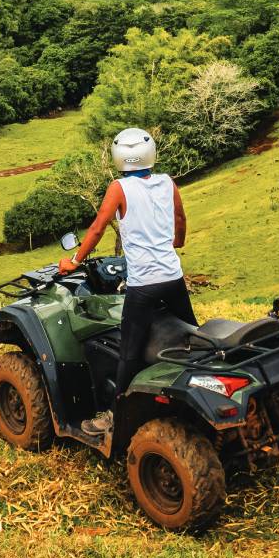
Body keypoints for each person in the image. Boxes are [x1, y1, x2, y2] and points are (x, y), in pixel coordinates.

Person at [60, 127, 195, 436]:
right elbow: (180, 220)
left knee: (129, 353)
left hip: (144, 285)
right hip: (173, 277)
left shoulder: (118, 188)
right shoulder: (167, 183)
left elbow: (96, 229)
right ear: (151, 154)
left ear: (119, 156)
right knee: (193, 338)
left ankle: (113, 415)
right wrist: (176, 243)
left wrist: (74, 262)